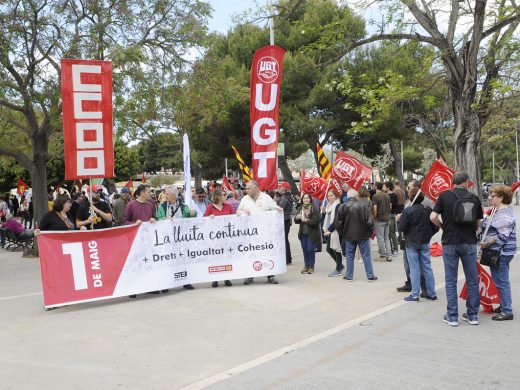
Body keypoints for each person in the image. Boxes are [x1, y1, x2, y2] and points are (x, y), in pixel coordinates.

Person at [431, 172, 483, 326]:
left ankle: (452, 316)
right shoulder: (474, 198)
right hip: (469, 242)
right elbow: (479, 221)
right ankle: (472, 315)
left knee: (451, 280)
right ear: (466, 182)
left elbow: (433, 217)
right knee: (472, 280)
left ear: (452, 182)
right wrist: (474, 230)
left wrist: (444, 227)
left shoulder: (444, 196)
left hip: (450, 242)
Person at [480, 185, 516, 321]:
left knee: (502, 281)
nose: (490, 198)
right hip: (499, 252)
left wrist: (487, 243)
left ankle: (507, 310)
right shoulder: (498, 211)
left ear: (501, 197)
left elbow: (503, 235)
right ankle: (504, 305)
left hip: (502, 252)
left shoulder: (504, 213)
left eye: (493, 196)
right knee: (499, 280)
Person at [237, 180, 282, 285]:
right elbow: (238, 212)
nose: (246, 190)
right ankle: (250, 276)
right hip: (250, 234)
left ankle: (270, 275)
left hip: (265, 234)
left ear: (255, 188)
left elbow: (274, 208)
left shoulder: (266, 198)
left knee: (267, 254)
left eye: (248, 188)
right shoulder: (244, 199)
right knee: (251, 254)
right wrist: (243, 213)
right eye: (246, 188)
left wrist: (278, 209)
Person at [397, 188, 438, 302]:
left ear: (411, 198)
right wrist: (428, 235)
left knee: (414, 269)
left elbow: (401, 228)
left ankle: (415, 294)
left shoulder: (408, 211)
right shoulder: (427, 210)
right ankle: (431, 293)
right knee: (427, 267)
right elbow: (435, 227)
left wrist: (399, 219)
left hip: (412, 242)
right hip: (424, 242)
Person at [156, 185, 195, 291]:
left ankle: (186, 281)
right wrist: (165, 218)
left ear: (173, 195)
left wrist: (193, 213)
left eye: (167, 194)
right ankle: (166, 283)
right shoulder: (161, 207)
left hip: (181, 239)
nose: (165, 195)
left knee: (183, 260)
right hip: (167, 239)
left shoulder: (183, 206)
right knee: (168, 260)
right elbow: (158, 218)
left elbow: (190, 217)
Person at [335, 189, 377, 281]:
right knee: (366, 256)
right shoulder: (363, 206)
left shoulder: (342, 206)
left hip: (349, 235)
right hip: (363, 235)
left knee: (350, 256)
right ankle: (370, 275)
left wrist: (342, 234)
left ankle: (349, 276)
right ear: (356, 196)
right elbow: (370, 222)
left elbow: (338, 224)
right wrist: (369, 233)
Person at [204, 189, 234, 287]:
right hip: (214, 238)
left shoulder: (228, 206)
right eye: (224, 194)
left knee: (226, 257)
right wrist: (208, 218)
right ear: (218, 197)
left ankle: (226, 278)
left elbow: (233, 220)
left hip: (226, 237)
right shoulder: (210, 208)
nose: (226, 196)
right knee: (215, 258)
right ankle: (215, 278)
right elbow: (203, 220)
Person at [294, 193, 321, 274]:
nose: (306, 200)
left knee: (310, 249)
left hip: (311, 233)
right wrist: (297, 217)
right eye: (304, 198)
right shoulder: (300, 208)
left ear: (310, 199)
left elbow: (316, 221)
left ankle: (311, 266)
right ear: (302, 200)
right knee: (305, 250)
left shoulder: (314, 208)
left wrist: (306, 220)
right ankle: (306, 266)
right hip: (303, 233)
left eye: (307, 198)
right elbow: (296, 221)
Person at [323, 189, 344, 276]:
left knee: (336, 249)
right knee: (329, 249)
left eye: (332, 195)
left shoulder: (338, 206)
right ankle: (340, 266)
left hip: (337, 231)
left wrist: (329, 230)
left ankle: (338, 269)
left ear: (336, 196)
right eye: (329, 196)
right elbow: (328, 218)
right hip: (331, 230)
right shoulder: (329, 205)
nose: (330, 197)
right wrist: (324, 210)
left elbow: (336, 220)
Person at [372, 182, 392, 261]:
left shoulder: (375, 196)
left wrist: (374, 217)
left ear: (376, 187)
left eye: (374, 185)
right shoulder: (387, 195)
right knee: (386, 237)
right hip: (387, 218)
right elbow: (390, 207)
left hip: (379, 219)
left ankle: (383, 253)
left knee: (380, 237)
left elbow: (375, 208)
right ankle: (389, 254)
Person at [278, 182, 294, 265]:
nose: (279, 188)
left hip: (283, 220)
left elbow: (280, 209)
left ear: (285, 188)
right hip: (287, 220)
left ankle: (287, 259)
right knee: (285, 239)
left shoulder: (284, 198)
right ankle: (288, 258)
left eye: (280, 187)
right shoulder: (289, 197)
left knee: (284, 240)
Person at [384, 181, 399, 256]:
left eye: (384, 186)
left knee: (392, 233)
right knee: (387, 234)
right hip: (386, 216)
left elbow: (390, 207)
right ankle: (389, 249)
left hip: (391, 215)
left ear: (388, 187)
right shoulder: (385, 195)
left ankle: (395, 249)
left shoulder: (393, 196)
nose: (383, 188)